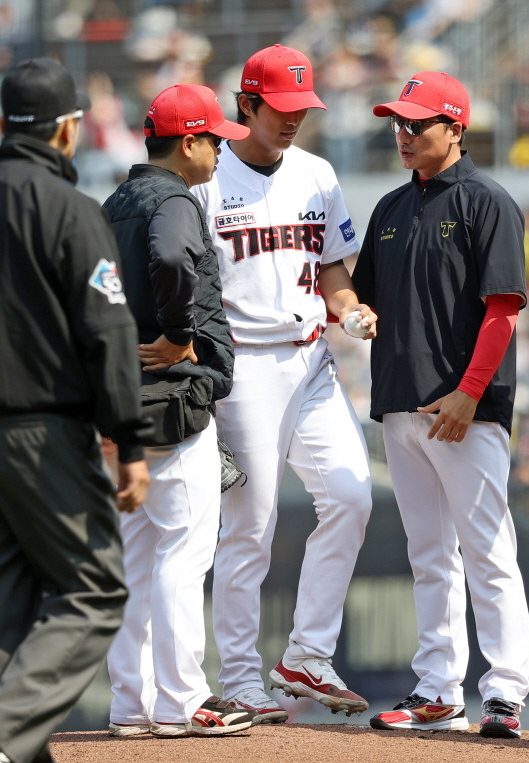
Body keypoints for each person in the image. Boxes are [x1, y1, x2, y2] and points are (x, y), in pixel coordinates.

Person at [193, 43, 375, 723]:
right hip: (243, 369)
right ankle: (239, 677)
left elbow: (332, 267)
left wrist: (350, 308)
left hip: (310, 360)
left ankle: (305, 654)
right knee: (251, 526)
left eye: (304, 105)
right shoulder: (207, 179)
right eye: (282, 106)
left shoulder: (316, 173)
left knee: (353, 498)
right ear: (247, 104)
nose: (295, 117)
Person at [351, 71, 529, 738]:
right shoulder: (391, 209)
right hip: (400, 404)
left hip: (466, 409)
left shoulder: (487, 201)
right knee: (428, 553)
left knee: (486, 550)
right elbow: (362, 294)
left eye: (416, 124)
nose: (402, 135)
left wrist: (470, 391)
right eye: (396, 123)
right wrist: (351, 313)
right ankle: (437, 691)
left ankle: (506, 692)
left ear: (454, 128)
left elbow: (502, 309)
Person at [0, 57, 151, 763]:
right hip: (41, 431)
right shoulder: (70, 209)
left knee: (16, 603)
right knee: (93, 590)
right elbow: (108, 331)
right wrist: (130, 441)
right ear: (67, 131)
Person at [102, 83, 257, 738]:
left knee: (137, 555)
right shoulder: (172, 198)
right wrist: (175, 331)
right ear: (187, 141)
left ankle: (131, 705)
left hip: (118, 395)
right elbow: (169, 257)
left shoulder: (113, 200)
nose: (222, 149)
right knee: (182, 551)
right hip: (170, 395)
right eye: (215, 138)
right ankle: (182, 700)